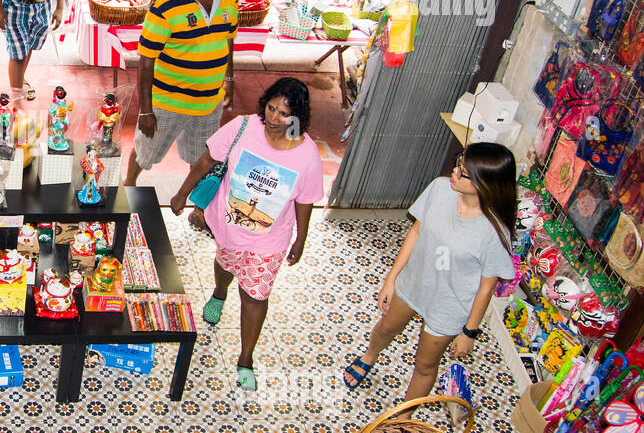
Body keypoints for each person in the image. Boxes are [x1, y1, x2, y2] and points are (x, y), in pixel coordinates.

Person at [170, 78, 324, 392]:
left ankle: (245, 359)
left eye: (284, 113)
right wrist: (181, 194)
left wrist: (301, 238)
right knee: (224, 265)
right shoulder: (243, 127)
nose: (274, 118)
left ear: (297, 117)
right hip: (228, 226)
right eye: (270, 108)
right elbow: (206, 161)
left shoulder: (306, 154)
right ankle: (219, 293)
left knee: (255, 295)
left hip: (269, 240)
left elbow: (306, 199)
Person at [345, 143, 517, 400]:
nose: (455, 171)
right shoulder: (439, 188)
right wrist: (391, 279)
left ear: (483, 184)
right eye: (459, 163)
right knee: (384, 329)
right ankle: (370, 356)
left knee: (424, 365)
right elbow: (416, 231)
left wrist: (469, 332)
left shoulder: (493, 232)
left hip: (449, 306)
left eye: (463, 171)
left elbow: (486, 288)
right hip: (414, 282)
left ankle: (402, 420)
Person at [126, 0, 239, 187]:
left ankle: (196, 204)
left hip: (209, 102)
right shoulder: (167, 6)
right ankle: (129, 185)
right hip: (169, 102)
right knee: (146, 152)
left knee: (202, 157)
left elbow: (228, 38)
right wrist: (146, 111)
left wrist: (229, 78)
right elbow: (146, 61)